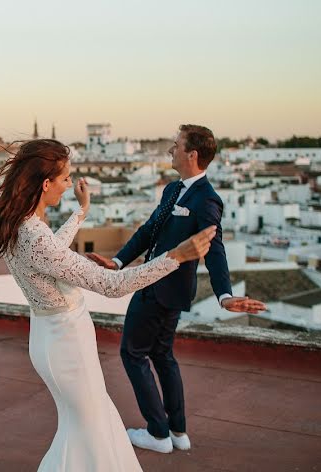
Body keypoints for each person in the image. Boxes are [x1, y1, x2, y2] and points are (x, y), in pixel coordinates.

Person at [0, 138, 216, 472]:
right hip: (66, 347)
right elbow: (112, 285)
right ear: (46, 184)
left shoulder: (21, 226)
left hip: (52, 339)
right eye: (64, 179)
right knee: (89, 431)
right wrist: (175, 257)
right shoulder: (34, 234)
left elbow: (49, 255)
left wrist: (81, 212)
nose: (67, 185)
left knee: (89, 427)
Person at [88, 125, 267, 454]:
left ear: (192, 154)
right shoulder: (172, 190)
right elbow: (148, 231)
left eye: (176, 145)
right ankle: (178, 431)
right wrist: (117, 262)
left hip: (161, 290)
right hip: (153, 282)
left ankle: (158, 433)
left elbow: (214, 249)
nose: (171, 150)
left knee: (132, 353)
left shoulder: (207, 199)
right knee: (161, 355)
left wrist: (224, 295)